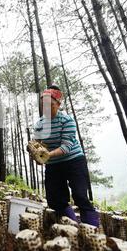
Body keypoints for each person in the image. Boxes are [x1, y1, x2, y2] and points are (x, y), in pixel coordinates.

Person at [32, 85, 100, 227]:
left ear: (58, 104)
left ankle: (93, 229)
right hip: (53, 164)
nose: (45, 108)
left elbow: (66, 147)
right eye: (42, 105)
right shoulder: (39, 124)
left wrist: (47, 155)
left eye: (49, 105)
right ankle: (72, 225)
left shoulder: (67, 120)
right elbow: (38, 144)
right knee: (54, 199)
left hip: (73, 160)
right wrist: (36, 154)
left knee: (80, 195)